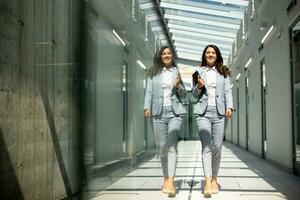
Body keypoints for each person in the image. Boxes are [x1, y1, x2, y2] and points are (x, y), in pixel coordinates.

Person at [144, 46, 187, 197]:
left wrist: (179, 86)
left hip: (175, 113)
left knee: (172, 147)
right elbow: (149, 91)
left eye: (169, 53)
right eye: (164, 53)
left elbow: (184, 95)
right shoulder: (153, 72)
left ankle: (171, 181)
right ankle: (165, 177)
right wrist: (146, 107)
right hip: (158, 113)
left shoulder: (176, 71)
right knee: (162, 147)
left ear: (172, 56)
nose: (167, 55)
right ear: (160, 56)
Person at [192, 44, 233, 198]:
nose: (210, 54)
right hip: (202, 113)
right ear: (204, 55)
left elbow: (228, 91)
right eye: (208, 52)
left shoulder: (224, 72)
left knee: (217, 146)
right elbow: (194, 95)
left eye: (213, 52)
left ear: (217, 55)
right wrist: (198, 86)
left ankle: (215, 178)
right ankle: (208, 181)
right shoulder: (198, 72)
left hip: (219, 113)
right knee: (206, 147)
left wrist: (230, 106)